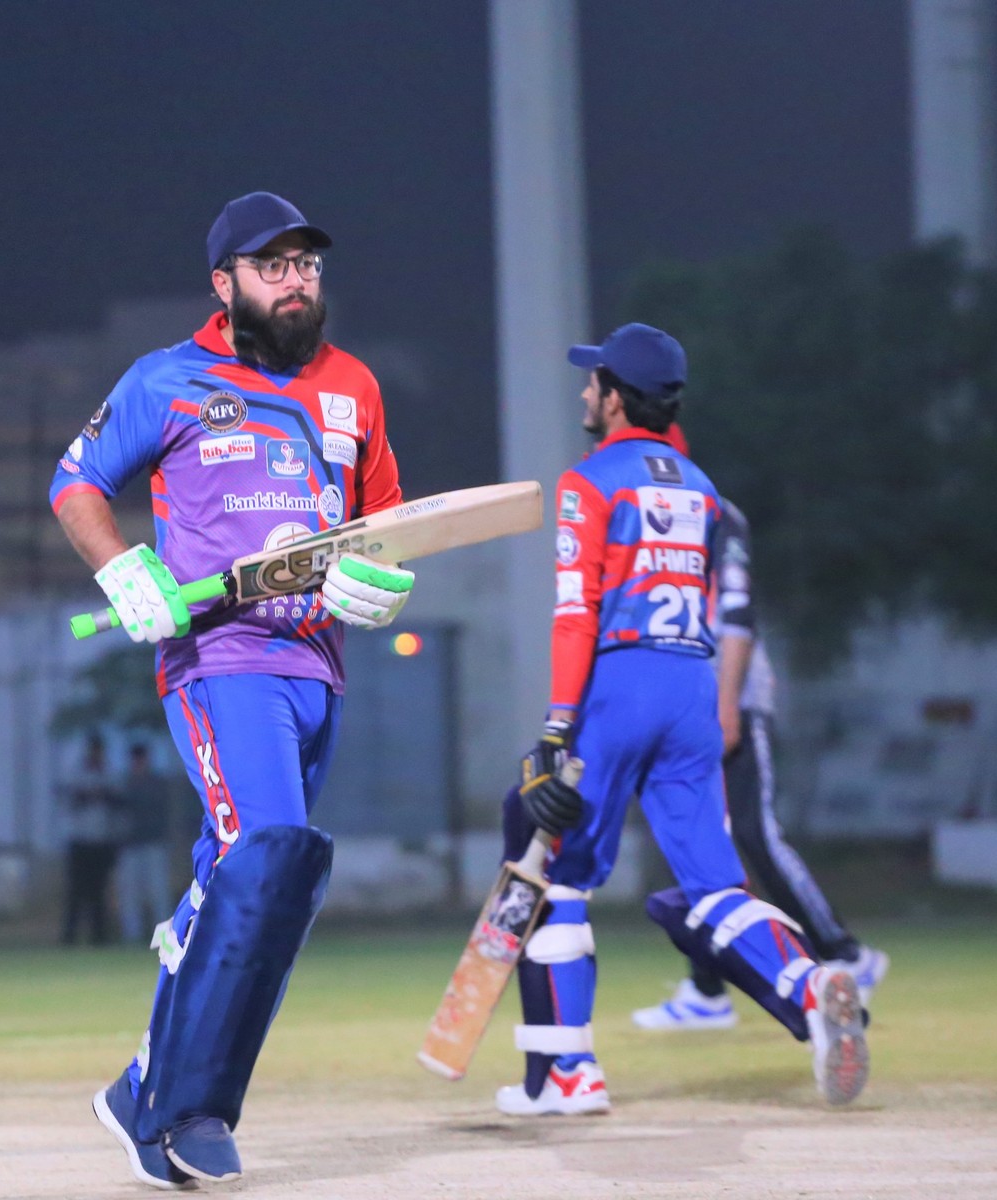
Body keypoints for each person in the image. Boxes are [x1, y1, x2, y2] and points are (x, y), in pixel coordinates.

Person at [50, 191, 414, 1189]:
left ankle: (144, 1090)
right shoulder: (166, 379)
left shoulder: (353, 387)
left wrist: (379, 580)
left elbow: (387, 524)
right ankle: (193, 1106)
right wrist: (124, 571)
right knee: (270, 856)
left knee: (254, 880)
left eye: (307, 264)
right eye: (272, 265)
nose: (296, 281)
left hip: (318, 668)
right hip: (220, 660)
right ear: (225, 283)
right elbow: (75, 482)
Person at [495, 323, 868, 1117]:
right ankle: (810, 984)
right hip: (692, 690)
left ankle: (569, 1075)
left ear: (616, 398)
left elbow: (576, 612)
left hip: (620, 685)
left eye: (594, 381)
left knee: (560, 878)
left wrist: (558, 727)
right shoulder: (700, 487)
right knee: (714, 881)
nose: (585, 391)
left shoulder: (589, 481)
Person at [632, 458, 888, 1029]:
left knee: (754, 833)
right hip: (680, 704)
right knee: (690, 842)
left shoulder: (716, 513)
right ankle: (707, 991)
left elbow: (737, 612)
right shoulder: (638, 515)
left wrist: (728, 705)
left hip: (733, 698)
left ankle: (844, 953)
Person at [60, 733, 123, 946]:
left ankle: (99, 936)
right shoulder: (77, 772)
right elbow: (69, 799)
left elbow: (117, 801)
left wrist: (102, 795)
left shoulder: (109, 772)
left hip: (101, 841)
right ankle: (69, 936)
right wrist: (88, 795)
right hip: (80, 840)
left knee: (98, 892)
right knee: (76, 892)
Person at [113, 743, 173, 945]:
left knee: (158, 892)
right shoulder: (125, 782)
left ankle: (164, 938)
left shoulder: (155, 783)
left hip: (153, 843)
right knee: (130, 893)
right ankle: (132, 936)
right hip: (130, 844)